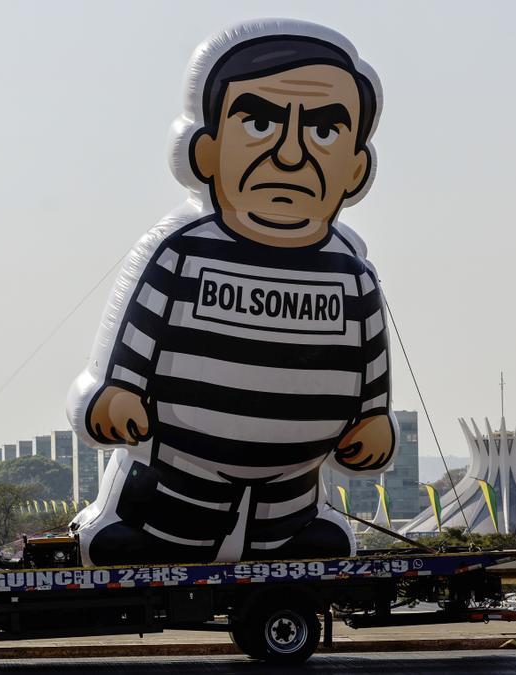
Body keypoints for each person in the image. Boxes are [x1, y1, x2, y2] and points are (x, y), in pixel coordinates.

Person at [68, 20, 397, 566]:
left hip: (296, 477)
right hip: (182, 464)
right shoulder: (182, 253)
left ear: (356, 169)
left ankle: (289, 537)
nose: (291, 155)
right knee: (176, 512)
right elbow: (138, 335)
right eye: (262, 122)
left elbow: (370, 355)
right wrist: (118, 390)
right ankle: (153, 534)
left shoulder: (350, 272)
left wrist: (372, 415)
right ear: (206, 151)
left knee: (288, 518)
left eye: (322, 132)